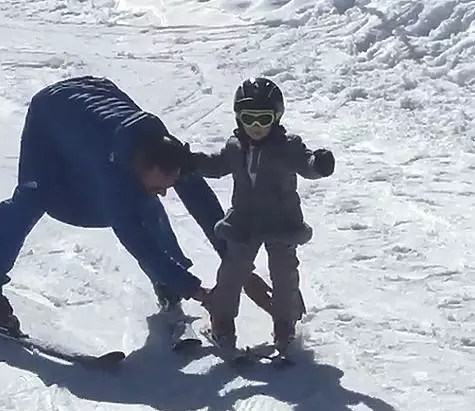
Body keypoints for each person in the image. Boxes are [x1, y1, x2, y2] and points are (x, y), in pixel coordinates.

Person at [0, 75, 271, 336]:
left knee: (145, 201)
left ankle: (166, 284)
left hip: (97, 93)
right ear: (139, 168)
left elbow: (205, 207)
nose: (165, 193)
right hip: (51, 111)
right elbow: (138, 243)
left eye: (167, 185)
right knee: (33, 197)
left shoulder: (167, 150)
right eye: (158, 187)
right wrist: (200, 293)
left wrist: (241, 269)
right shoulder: (113, 174)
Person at [190, 77, 335, 356]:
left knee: (284, 275)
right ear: (238, 117)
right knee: (232, 273)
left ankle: (284, 326)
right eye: (248, 118)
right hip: (245, 222)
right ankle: (222, 322)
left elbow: (306, 164)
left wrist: (319, 164)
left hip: (282, 222)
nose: (256, 127)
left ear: (277, 118)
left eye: (264, 118)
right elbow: (216, 165)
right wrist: (190, 161)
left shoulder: (288, 146)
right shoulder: (235, 147)